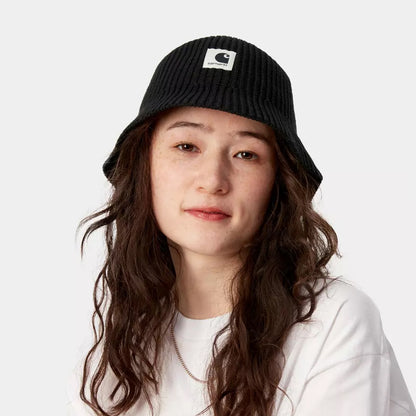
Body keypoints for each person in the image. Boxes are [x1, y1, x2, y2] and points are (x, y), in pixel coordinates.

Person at [67, 35, 416, 416]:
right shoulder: (118, 345)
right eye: (187, 146)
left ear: (278, 182)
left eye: (246, 154)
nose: (213, 180)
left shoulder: (335, 321)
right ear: (144, 163)